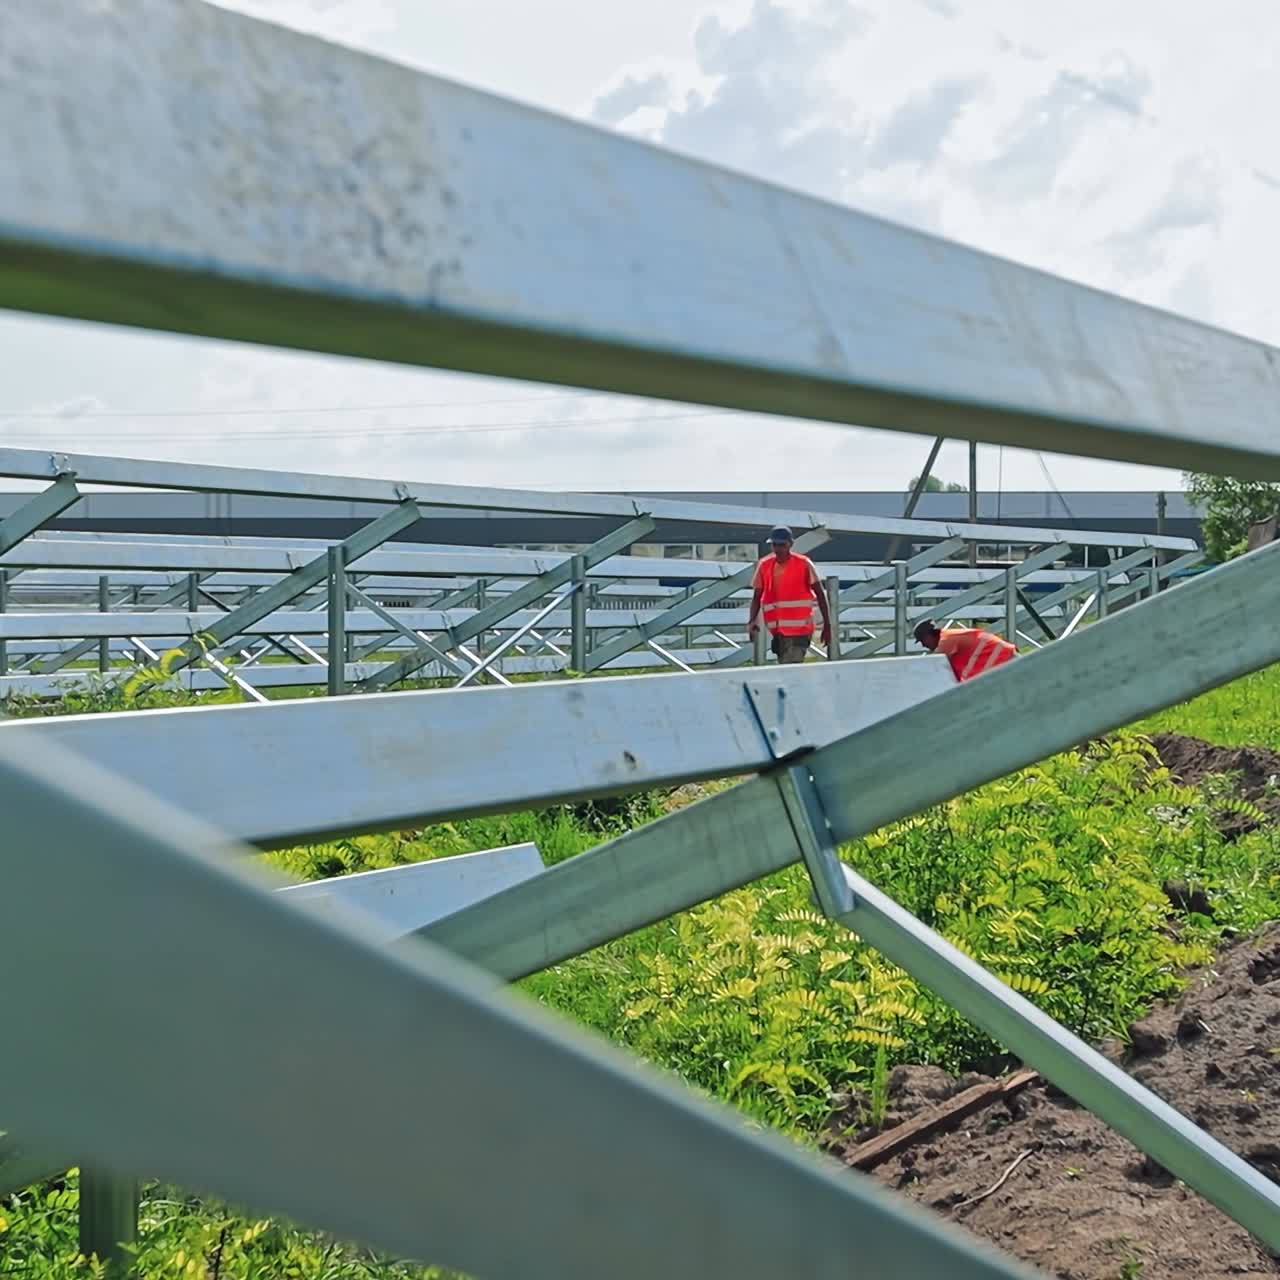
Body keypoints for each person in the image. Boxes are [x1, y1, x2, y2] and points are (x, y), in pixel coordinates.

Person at [747, 526, 833, 664]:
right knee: (786, 669)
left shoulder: (803, 564)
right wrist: (752, 621)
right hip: (778, 631)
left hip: (800, 630)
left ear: (790, 544)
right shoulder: (765, 566)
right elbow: (757, 596)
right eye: (774, 545)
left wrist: (827, 626)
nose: (778, 549)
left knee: (790, 668)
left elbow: (820, 594)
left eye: (782, 545)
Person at [913, 619, 1016, 682]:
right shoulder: (950, 637)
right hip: (1002, 659)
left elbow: (934, 667)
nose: (923, 645)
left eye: (923, 640)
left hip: (1004, 659)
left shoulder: (946, 640)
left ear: (929, 636)